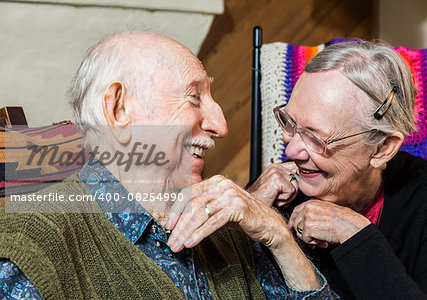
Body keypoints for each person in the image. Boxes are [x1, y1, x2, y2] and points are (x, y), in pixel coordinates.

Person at [0, 32, 335, 299]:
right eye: (194, 97)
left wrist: (277, 235)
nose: (220, 123)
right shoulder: (27, 249)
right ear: (118, 111)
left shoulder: (226, 227)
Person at [248, 40, 427, 299]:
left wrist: (354, 234)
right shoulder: (278, 191)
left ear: (382, 149)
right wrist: (249, 205)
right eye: (289, 123)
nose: (290, 151)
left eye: (315, 138)